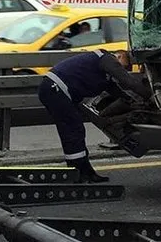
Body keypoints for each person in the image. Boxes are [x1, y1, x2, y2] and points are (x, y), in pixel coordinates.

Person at [38, 49, 150, 183]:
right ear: (119, 56)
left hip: (57, 90)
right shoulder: (106, 58)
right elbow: (128, 82)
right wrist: (150, 97)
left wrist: (133, 102)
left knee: (77, 130)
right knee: (72, 131)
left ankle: (86, 171)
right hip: (55, 89)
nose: (124, 68)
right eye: (124, 65)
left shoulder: (104, 72)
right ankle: (77, 173)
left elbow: (116, 90)